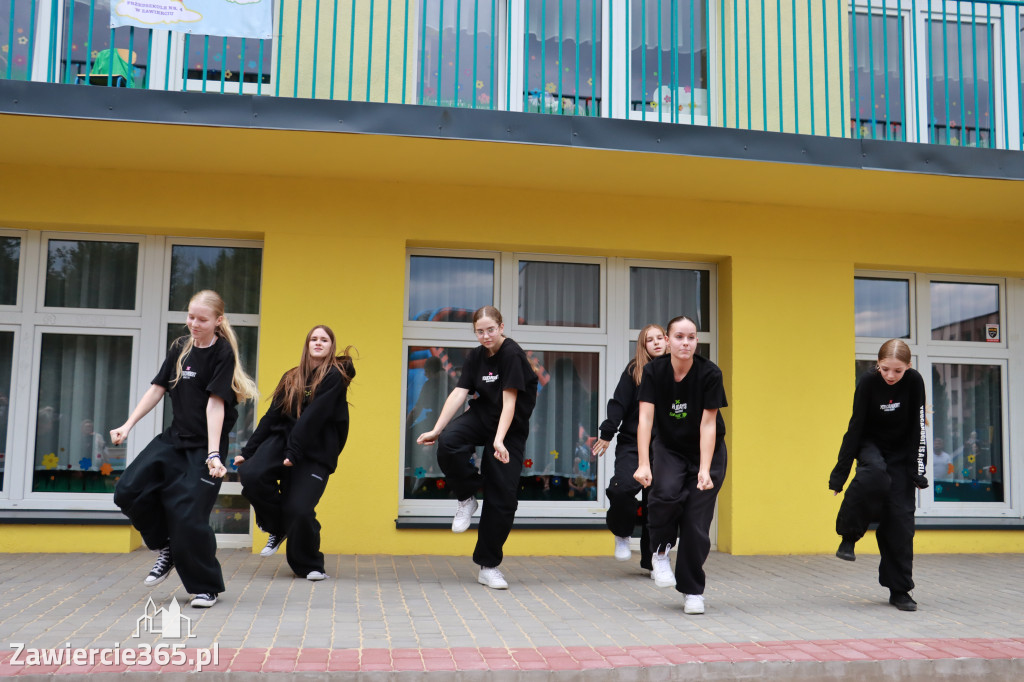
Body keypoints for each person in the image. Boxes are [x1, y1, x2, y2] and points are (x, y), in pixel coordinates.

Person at [111, 290, 258, 609]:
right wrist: (128, 424)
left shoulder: (222, 353)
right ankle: (167, 545)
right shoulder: (180, 347)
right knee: (127, 490)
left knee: (189, 519)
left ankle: (205, 587)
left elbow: (215, 405)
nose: (193, 323)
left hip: (204, 449)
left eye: (201, 319)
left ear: (218, 321)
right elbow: (157, 389)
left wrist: (214, 453)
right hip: (173, 441)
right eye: (190, 316)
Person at [416, 305, 538, 590]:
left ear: (502, 327)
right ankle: (467, 496)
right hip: (482, 416)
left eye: (490, 330)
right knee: (449, 442)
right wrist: (436, 428)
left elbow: (510, 402)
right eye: (479, 332)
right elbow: (459, 392)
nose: (485, 336)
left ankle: (488, 565)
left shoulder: (512, 355)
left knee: (503, 497)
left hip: (510, 428)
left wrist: (498, 440)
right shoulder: (475, 356)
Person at [234, 325, 355, 581]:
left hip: (315, 452)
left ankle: (309, 564)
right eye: (314, 339)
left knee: (299, 509)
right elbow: (272, 416)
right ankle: (277, 527)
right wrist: (249, 450)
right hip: (283, 442)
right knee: (251, 473)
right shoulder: (291, 376)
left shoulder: (335, 375)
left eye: (324, 340)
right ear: (307, 344)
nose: (319, 343)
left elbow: (314, 416)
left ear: (331, 346)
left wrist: (294, 450)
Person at [633, 316, 727, 616]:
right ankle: (660, 550)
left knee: (695, 525)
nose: (685, 343)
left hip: (707, 451)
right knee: (664, 494)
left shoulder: (710, 373)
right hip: (669, 447)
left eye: (691, 337)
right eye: (679, 337)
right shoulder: (653, 371)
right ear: (669, 340)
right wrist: (644, 464)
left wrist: (704, 468)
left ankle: (692, 591)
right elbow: (645, 419)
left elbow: (709, 424)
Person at [829, 338, 929, 612]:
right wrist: (840, 475)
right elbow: (856, 426)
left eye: (898, 370)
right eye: (885, 369)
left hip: (901, 452)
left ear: (908, 367)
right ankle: (849, 536)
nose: (891, 376)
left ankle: (899, 590)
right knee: (874, 475)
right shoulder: (868, 382)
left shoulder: (914, 382)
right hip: (870, 444)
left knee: (900, 521)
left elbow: (919, 427)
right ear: (878, 365)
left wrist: (917, 471)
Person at [592, 324, 667, 570]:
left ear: (667, 340)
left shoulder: (678, 371)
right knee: (621, 489)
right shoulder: (635, 370)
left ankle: (654, 560)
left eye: (659, 338)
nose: (655, 343)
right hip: (632, 444)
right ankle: (622, 533)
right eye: (649, 340)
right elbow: (618, 403)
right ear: (642, 346)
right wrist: (607, 433)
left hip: (665, 447)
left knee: (656, 505)